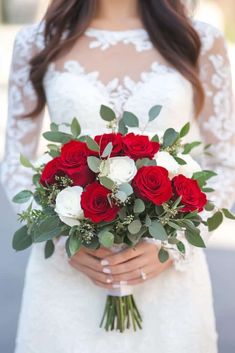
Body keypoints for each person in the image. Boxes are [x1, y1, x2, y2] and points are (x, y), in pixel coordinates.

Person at [1, 0, 235, 352]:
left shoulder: (199, 39)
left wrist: (172, 245)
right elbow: (16, 161)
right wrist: (62, 240)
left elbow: (225, 162)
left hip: (167, 284)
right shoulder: (39, 40)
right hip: (68, 276)